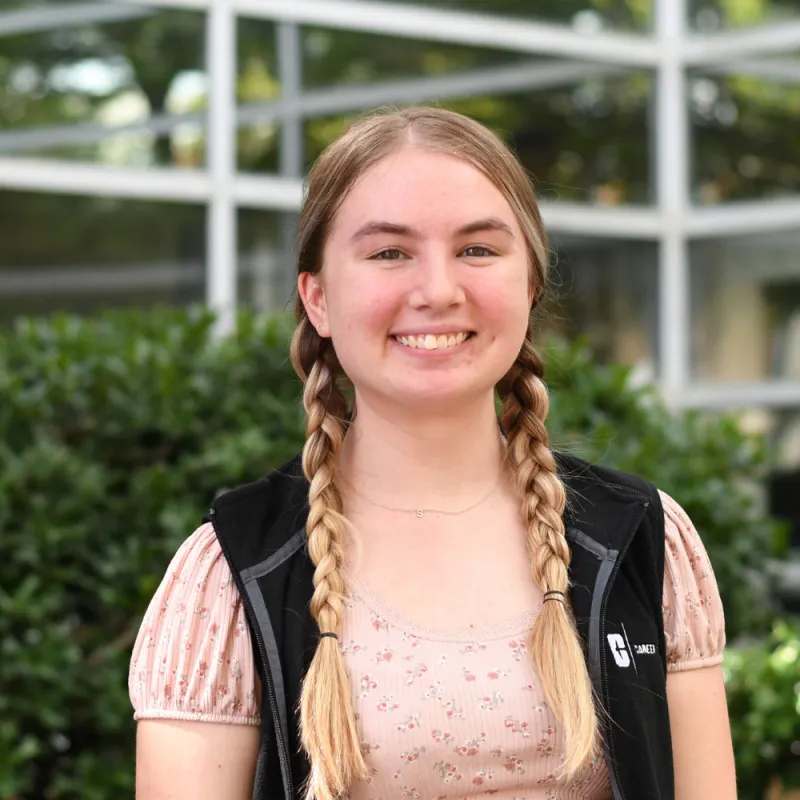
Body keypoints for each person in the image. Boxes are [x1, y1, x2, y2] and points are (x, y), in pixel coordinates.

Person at [129, 106, 737, 800]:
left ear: (529, 285)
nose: (438, 291)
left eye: (478, 249)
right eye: (389, 252)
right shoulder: (232, 576)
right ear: (318, 299)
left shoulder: (642, 540)